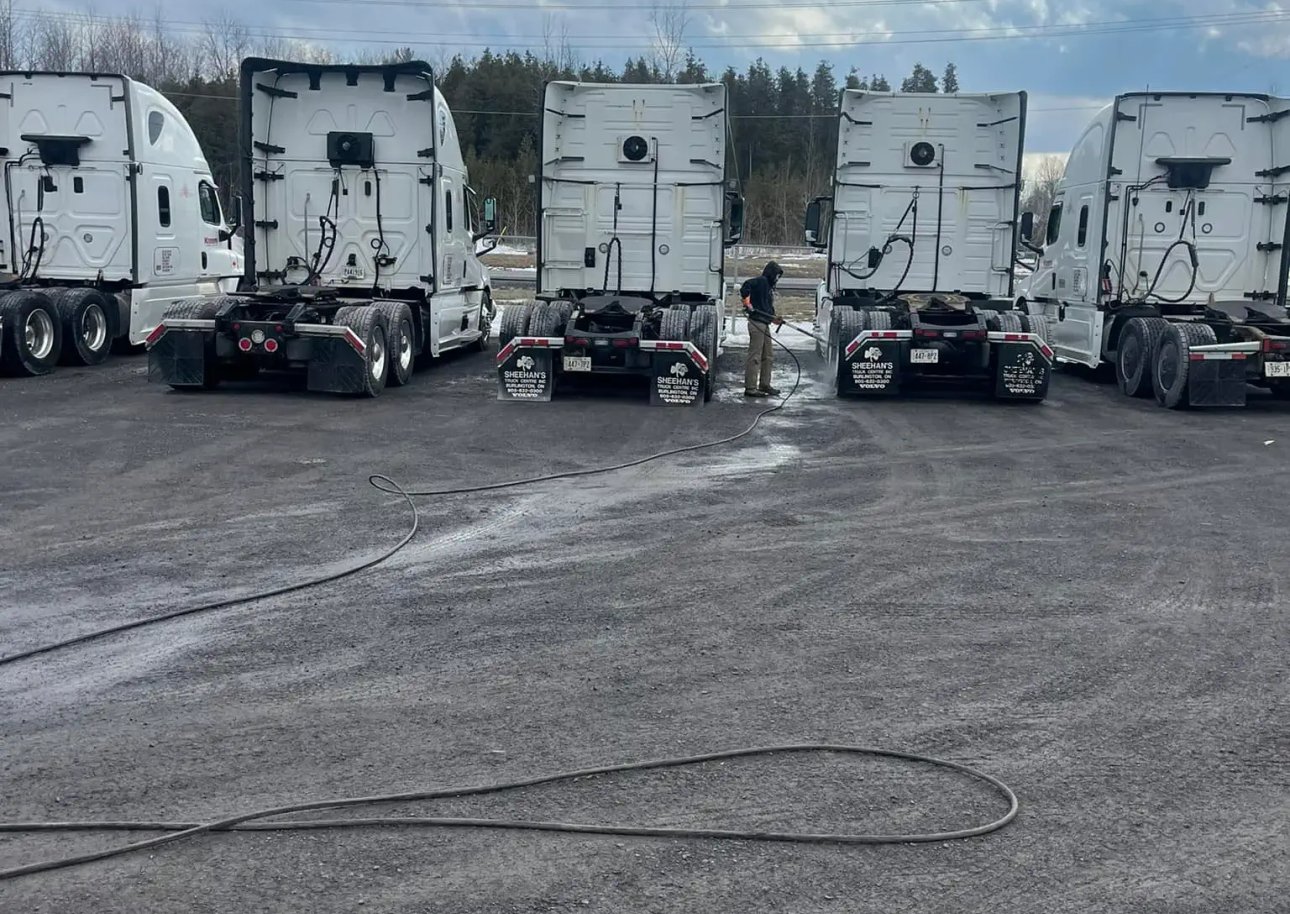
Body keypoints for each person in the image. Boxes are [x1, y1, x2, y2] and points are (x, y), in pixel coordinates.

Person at [740, 261, 784, 398]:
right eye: (776, 275)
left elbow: (766, 307)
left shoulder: (769, 288)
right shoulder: (761, 281)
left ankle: (765, 384)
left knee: (768, 355)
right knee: (755, 356)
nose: (777, 279)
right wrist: (747, 303)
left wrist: (774, 318)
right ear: (771, 273)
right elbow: (745, 286)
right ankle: (750, 388)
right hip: (756, 323)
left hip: (764, 322)